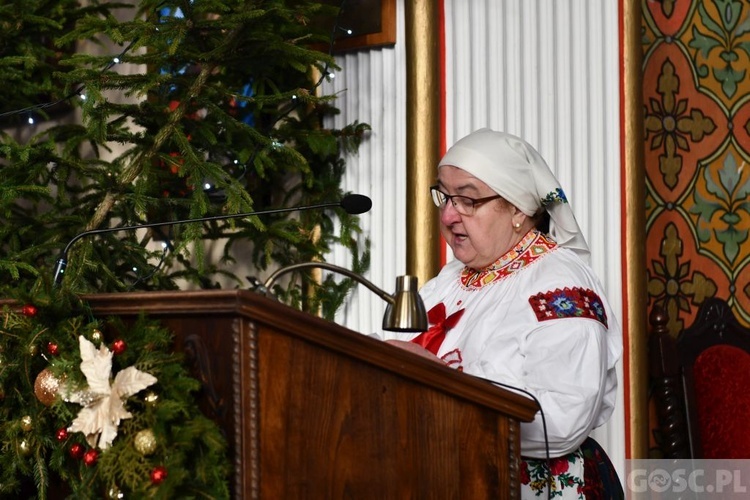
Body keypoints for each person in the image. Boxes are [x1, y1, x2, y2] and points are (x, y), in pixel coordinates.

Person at [380, 129, 623, 498]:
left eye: (468, 200)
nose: (448, 215)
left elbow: (563, 419)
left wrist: (439, 382)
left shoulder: (560, 285)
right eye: (444, 196)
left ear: (517, 209)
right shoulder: (450, 280)